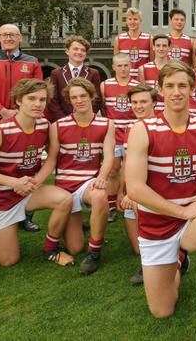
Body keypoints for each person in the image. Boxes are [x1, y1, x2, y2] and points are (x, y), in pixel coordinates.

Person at [126, 61, 196, 340]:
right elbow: (136, 189)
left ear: (192, 89)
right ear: (160, 90)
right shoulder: (143, 129)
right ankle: (177, 260)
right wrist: (180, 211)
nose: (176, 92)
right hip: (158, 223)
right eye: (170, 86)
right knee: (162, 310)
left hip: (194, 216)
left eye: (182, 86)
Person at [0, 79, 74, 267]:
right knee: (8, 261)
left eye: (42, 99)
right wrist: (14, 183)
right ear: (19, 100)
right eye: (32, 98)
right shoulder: (0, 131)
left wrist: (35, 182)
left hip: (29, 190)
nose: (38, 104)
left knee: (65, 199)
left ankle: (51, 249)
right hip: (3, 197)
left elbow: (51, 160)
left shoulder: (44, 125)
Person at [0, 23, 43, 233]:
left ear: (20, 37)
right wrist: (2, 110)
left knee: (28, 165)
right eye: (5, 35)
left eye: (13, 34)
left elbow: (37, 90)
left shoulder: (32, 62)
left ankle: (25, 215)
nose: (9, 38)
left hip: (25, 121)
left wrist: (21, 113)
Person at [49, 78, 115, 275]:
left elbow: (109, 156)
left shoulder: (106, 123)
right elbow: (52, 160)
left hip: (88, 183)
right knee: (74, 247)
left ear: (92, 96)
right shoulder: (58, 125)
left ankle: (95, 252)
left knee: (100, 196)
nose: (79, 100)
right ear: (69, 100)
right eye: (74, 97)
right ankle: (77, 225)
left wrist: (102, 176)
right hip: (64, 187)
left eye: (83, 96)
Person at [119, 84, 159, 285]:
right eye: (134, 102)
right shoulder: (129, 128)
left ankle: (157, 263)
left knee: (148, 246)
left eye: (143, 101)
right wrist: (122, 191)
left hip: (158, 191)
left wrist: (135, 194)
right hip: (135, 189)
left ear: (154, 103)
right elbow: (126, 163)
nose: (138, 106)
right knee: (138, 248)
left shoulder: (161, 126)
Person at [100, 54, 140, 218]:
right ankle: (110, 207)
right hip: (114, 135)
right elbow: (103, 109)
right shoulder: (105, 85)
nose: (123, 69)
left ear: (130, 66)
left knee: (131, 170)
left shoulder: (137, 85)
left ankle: (129, 200)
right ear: (114, 67)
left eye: (126, 65)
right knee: (113, 170)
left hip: (131, 135)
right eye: (120, 66)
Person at [48, 35, 102, 122]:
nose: (79, 52)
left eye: (83, 50)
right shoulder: (56, 73)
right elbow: (52, 100)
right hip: (63, 121)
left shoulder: (93, 73)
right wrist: (64, 120)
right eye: (76, 49)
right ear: (67, 51)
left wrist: (85, 117)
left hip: (86, 121)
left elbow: (96, 99)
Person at [113, 7, 153, 79]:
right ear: (126, 21)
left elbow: (152, 63)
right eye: (130, 19)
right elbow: (117, 63)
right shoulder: (119, 39)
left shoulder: (149, 39)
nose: (132, 22)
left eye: (135, 19)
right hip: (125, 80)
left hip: (143, 80)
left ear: (140, 21)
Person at [138, 34, 171, 113]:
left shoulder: (175, 68)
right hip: (151, 114)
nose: (161, 49)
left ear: (169, 48)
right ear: (153, 47)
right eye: (158, 45)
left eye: (164, 46)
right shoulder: (143, 69)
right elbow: (143, 95)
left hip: (170, 112)